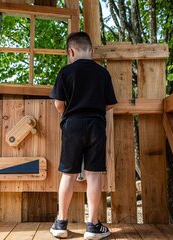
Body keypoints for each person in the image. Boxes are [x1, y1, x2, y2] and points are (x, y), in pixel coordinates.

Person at [49, 32, 117, 240]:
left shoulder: (65, 72)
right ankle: (93, 226)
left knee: (68, 174)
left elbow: (59, 105)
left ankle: (61, 223)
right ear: (91, 51)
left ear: (70, 51)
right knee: (94, 175)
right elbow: (110, 103)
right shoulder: (102, 73)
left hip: (72, 125)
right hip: (96, 124)